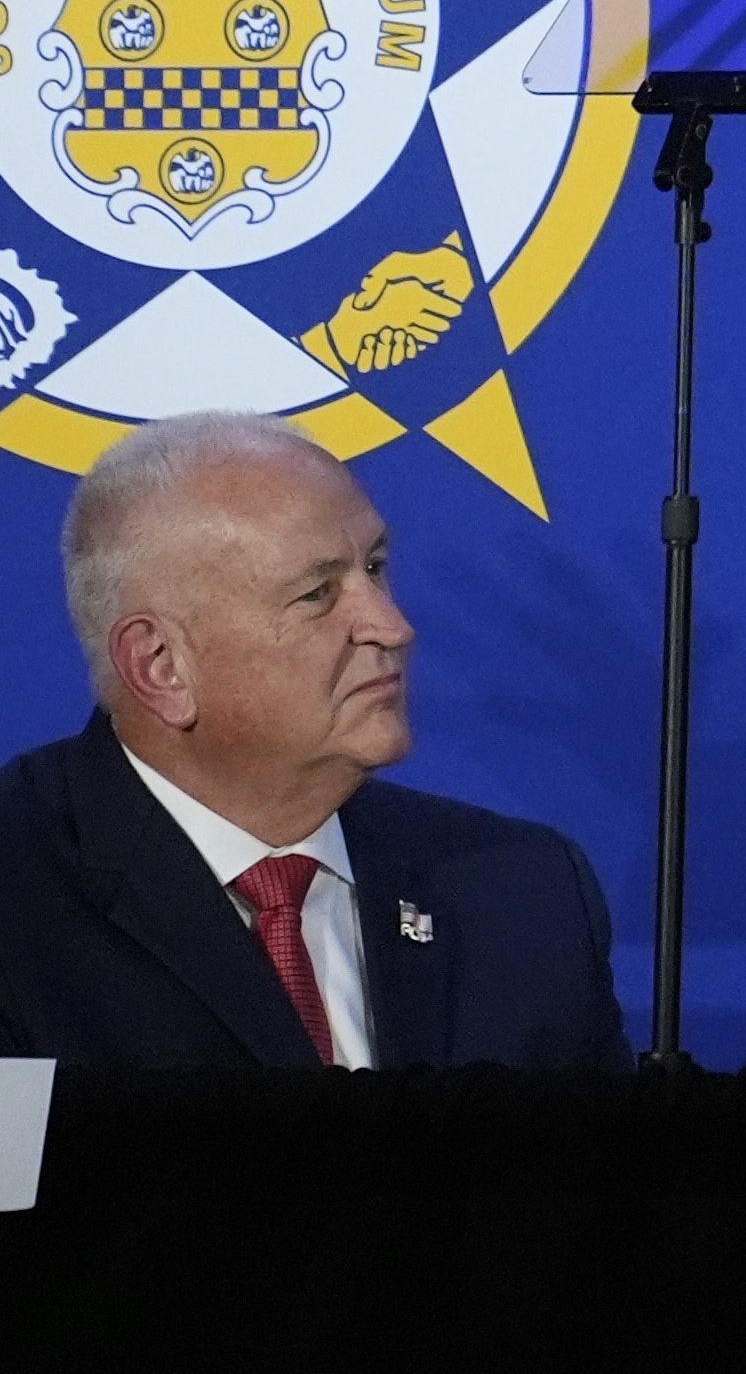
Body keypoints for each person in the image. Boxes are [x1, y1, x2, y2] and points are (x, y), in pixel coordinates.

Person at [0, 410, 628, 1068]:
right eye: (317, 593)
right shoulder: (20, 899)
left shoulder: (521, 892)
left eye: (377, 567)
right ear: (162, 664)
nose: (392, 625)